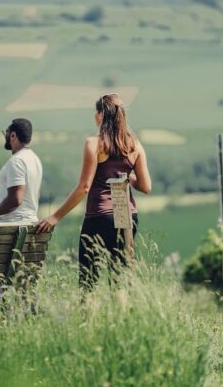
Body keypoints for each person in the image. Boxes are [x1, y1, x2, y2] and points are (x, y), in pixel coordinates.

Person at [36, 94, 151, 288]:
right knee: (119, 281)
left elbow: (84, 187)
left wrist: (55, 217)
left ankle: (88, 318)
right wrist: (124, 175)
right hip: (127, 216)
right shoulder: (135, 145)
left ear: (100, 116)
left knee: (88, 282)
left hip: (100, 216)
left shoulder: (93, 144)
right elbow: (146, 187)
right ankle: (121, 318)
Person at [0, 118, 43, 223]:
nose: (5, 136)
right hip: (27, 222)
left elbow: (15, 200)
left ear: (13, 135)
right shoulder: (34, 159)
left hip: (14, 225)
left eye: (6, 133)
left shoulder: (16, 161)